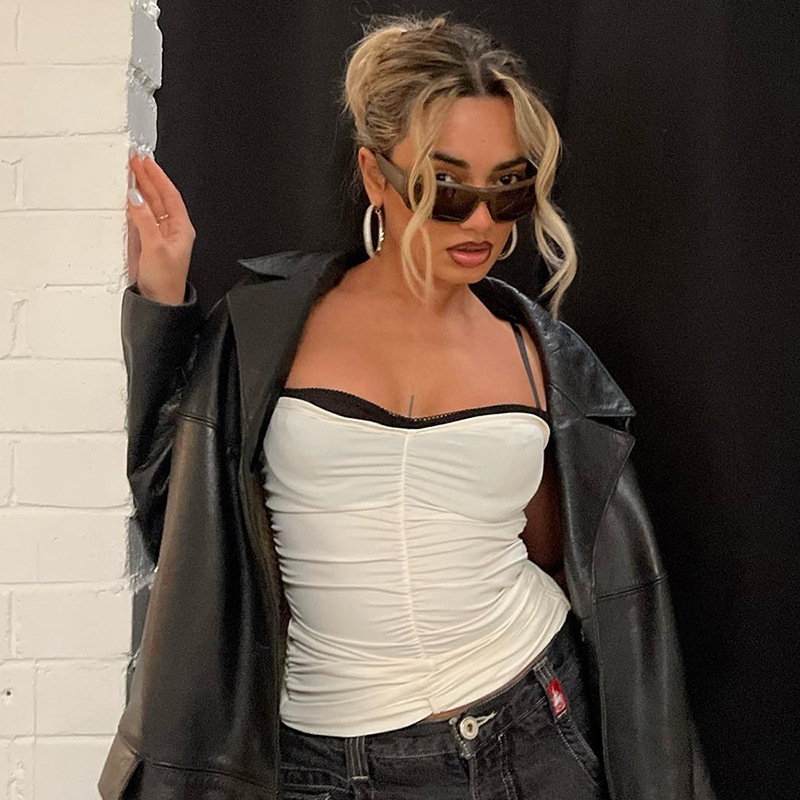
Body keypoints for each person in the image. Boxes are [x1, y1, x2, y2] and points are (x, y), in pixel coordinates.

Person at [101, 13, 716, 800]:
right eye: (448, 189)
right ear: (373, 174)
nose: (483, 222)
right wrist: (162, 301)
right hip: (325, 765)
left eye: (508, 187)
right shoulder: (261, 332)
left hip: (534, 730)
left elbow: (564, 553)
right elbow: (174, 510)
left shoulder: (542, 356)